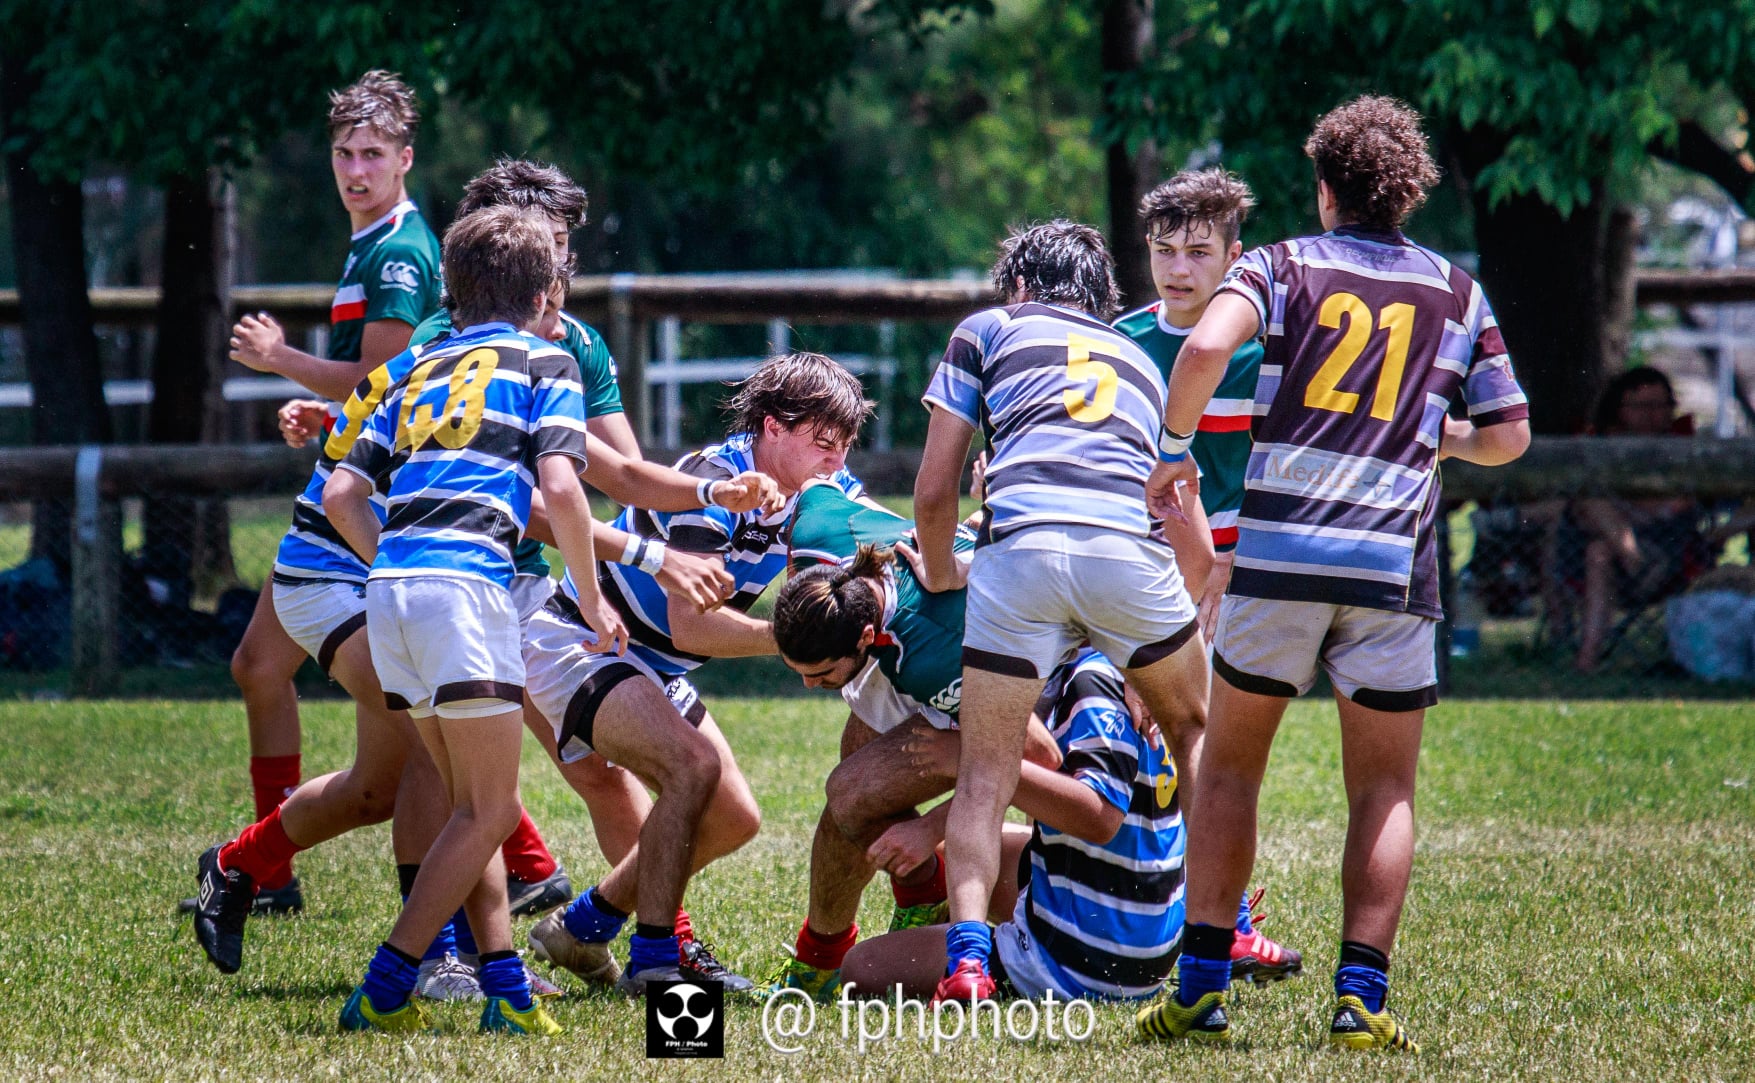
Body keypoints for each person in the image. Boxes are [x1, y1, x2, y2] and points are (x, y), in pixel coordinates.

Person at [1136, 95, 1531, 1052]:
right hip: (1392, 566)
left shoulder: (1276, 266)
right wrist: (1438, 435)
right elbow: (1510, 434)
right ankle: (1359, 999)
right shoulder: (1456, 287)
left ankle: (1196, 989)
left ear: (1323, 189)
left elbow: (1199, 347)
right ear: (1408, 191)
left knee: (1228, 769)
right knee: (1384, 790)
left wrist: (1173, 446)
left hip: (1275, 557)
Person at [769, 483, 1296, 999]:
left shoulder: (972, 660)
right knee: (872, 776)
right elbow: (823, 487)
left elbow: (1057, 772)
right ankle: (1224, 920)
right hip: (1128, 892)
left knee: (864, 921)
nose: (808, 687)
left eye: (820, 672)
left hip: (1093, 944)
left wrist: (946, 791)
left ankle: (959, 961)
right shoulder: (823, 526)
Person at [323, 205, 627, 1036]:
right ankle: (385, 988)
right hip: (466, 594)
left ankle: (507, 990)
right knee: (490, 810)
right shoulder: (548, 356)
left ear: (451, 290)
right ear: (547, 293)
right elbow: (562, 489)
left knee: (468, 803)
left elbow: (343, 492)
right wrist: (592, 599)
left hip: (388, 596)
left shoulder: (419, 367)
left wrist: (397, 557)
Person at [909, 221, 1211, 1003]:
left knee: (984, 774)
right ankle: (1222, 929)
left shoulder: (990, 329)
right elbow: (1190, 541)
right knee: (1198, 737)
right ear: (1101, 298)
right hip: (1127, 558)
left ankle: (970, 962)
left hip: (1020, 557)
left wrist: (944, 573)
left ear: (1016, 285)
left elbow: (936, 488)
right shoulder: (1144, 362)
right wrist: (1151, 659)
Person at [525, 352, 873, 995]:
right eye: (822, 445)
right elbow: (692, 626)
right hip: (583, 638)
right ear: (773, 427)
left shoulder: (823, 489)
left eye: (845, 448)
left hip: (655, 660)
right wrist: (795, 640)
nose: (836, 463)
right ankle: (658, 962)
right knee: (691, 768)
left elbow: (885, 540)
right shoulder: (717, 479)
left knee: (735, 817)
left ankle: (584, 923)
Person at [217, 71, 443, 913]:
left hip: (362, 500)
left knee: (415, 722)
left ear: (404, 159)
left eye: (374, 154)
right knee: (256, 665)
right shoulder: (372, 240)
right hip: (345, 479)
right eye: (345, 152)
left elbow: (379, 373)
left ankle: (514, 867)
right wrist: (327, 407)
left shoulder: (395, 252)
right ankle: (266, 870)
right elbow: (380, 386)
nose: (356, 168)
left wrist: (282, 359)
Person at [1113, 167, 1302, 982]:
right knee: (1128, 748)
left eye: (1197, 250)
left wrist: (1230, 568)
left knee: (1217, 755)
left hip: (1241, 574)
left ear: (1235, 254)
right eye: (1163, 249)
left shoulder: (1268, 352)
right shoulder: (1120, 343)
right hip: (1137, 568)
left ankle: (1225, 920)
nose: (1177, 268)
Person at [840, 648, 1184, 1003]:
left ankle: (977, 962)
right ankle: (944, 917)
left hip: (1082, 961)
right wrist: (931, 827)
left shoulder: (1090, 684)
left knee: (861, 969)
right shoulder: (1142, 667)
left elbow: (1098, 817)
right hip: (1142, 933)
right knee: (955, 853)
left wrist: (968, 758)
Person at [1562, 367, 1713, 672]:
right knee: (1597, 543)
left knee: (1601, 544)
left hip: (1671, 555)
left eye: (1662, 406)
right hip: (1603, 560)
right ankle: (1633, 559)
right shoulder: (1599, 447)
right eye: (1642, 407)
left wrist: (1629, 511)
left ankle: (1585, 661)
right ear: (1619, 409)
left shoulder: (1685, 450)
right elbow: (1580, 508)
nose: (1653, 415)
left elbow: (1681, 505)